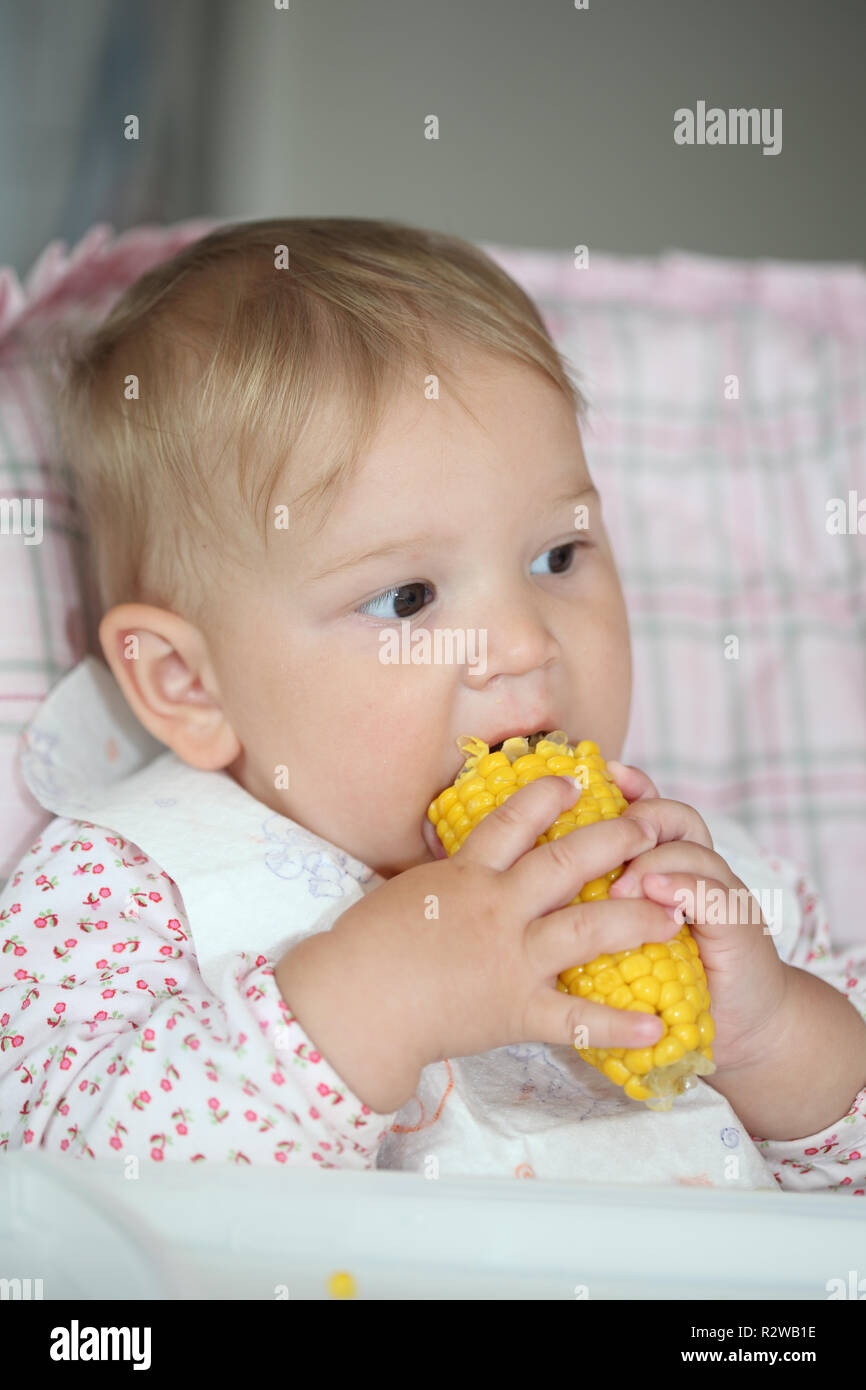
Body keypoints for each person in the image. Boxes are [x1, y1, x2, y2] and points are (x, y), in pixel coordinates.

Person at [2, 218, 864, 1190]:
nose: (524, 643)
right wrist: (372, 1006)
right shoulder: (130, 886)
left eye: (557, 556)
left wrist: (778, 1034)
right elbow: (56, 1178)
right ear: (187, 684)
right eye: (408, 596)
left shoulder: (709, 891)